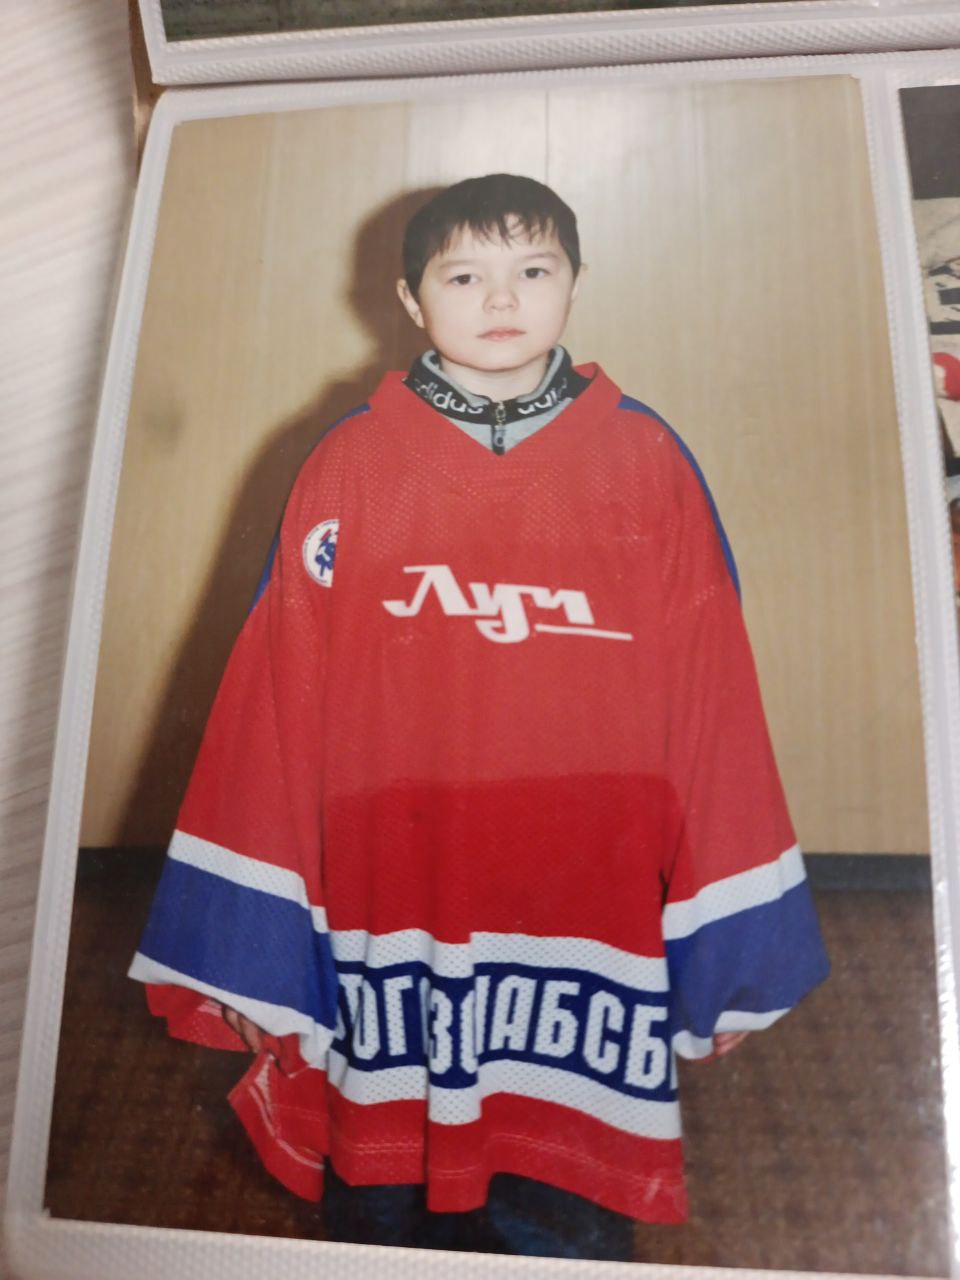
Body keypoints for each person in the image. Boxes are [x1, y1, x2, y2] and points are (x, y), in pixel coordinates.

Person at [129, 173, 829, 1259]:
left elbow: (714, 701)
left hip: (587, 900)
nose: (501, 299)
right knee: (382, 1203)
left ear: (577, 282)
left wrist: (730, 947)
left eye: (532, 269)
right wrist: (253, 949)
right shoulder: (349, 466)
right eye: (464, 276)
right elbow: (272, 703)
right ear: (410, 300)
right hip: (390, 894)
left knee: (560, 1200)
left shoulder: (646, 462)